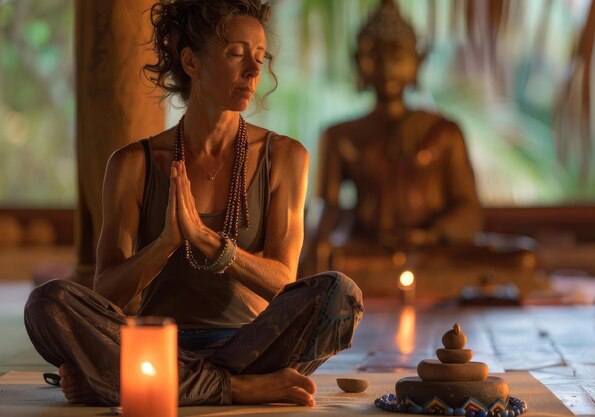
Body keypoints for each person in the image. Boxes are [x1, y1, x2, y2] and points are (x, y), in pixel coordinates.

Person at [24, 0, 363, 408]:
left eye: (260, 56)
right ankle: (235, 389)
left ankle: (142, 383)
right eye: (236, 54)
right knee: (48, 303)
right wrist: (167, 242)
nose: (254, 70)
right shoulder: (133, 164)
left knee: (342, 294)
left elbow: (283, 282)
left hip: (252, 347)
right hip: (160, 344)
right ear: (191, 61)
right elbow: (107, 291)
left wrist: (211, 244)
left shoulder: (286, 157)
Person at [305, 0, 483, 276]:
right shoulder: (340, 136)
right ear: (358, 61)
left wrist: (432, 235)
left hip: (432, 252)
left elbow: (470, 211)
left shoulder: (444, 131)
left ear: (418, 60)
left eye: (397, 55)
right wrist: (314, 248)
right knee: (329, 266)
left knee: (520, 259)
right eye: (374, 55)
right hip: (369, 251)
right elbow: (327, 211)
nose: (387, 66)